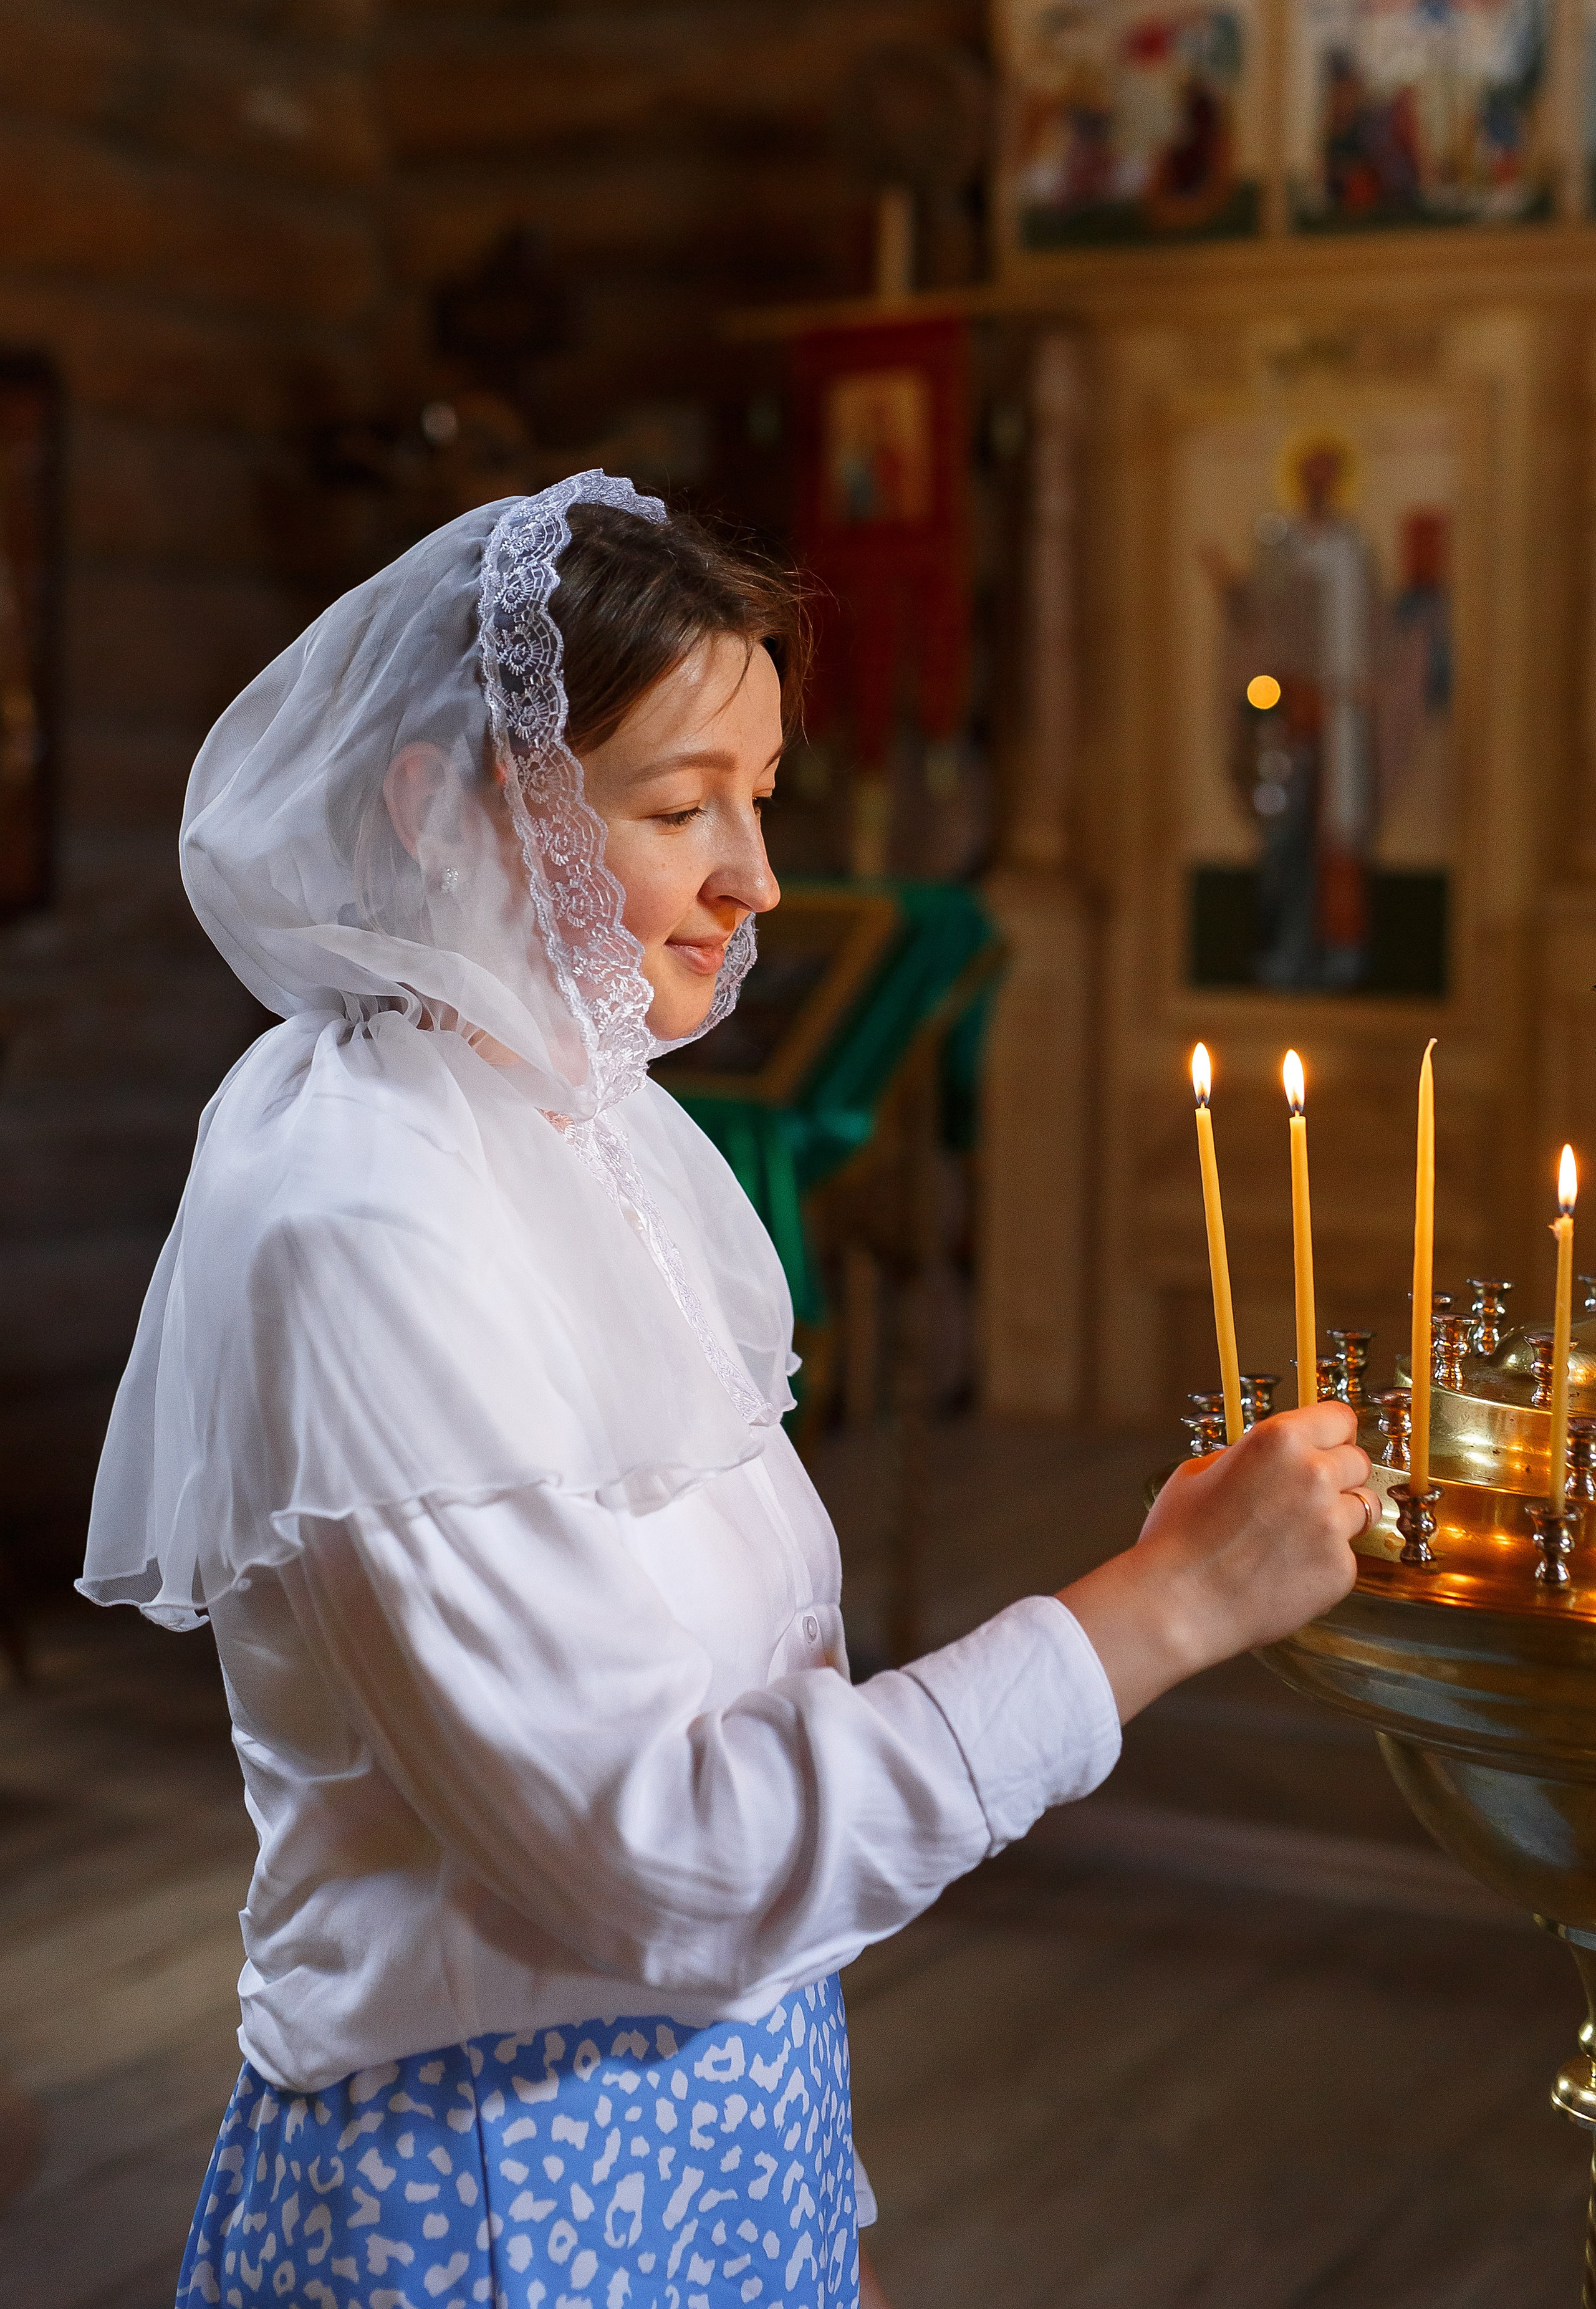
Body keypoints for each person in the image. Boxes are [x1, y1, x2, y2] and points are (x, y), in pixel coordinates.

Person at [81, 473, 1373, 2309]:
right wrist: (1158, 1611)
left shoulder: (589, 1127)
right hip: (494, 2191)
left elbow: (745, 1733)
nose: (755, 878)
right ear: (443, 807)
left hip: (724, 2136)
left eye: (760, 797)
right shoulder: (363, 1224)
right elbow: (658, 1861)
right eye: (682, 806)